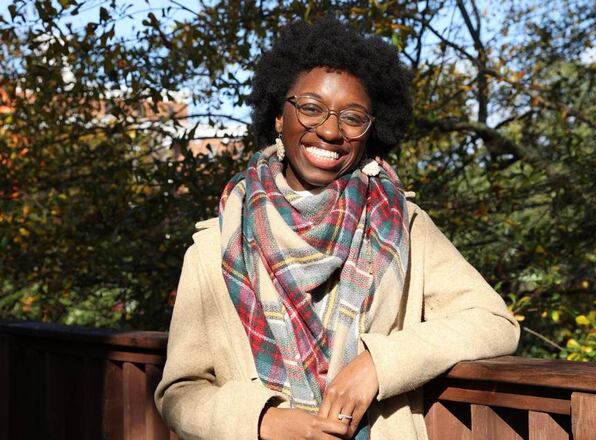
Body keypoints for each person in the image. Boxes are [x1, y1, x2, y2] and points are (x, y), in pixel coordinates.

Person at [155, 17, 519, 440]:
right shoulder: (215, 246)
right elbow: (180, 393)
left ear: (371, 130)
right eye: (310, 108)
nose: (330, 130)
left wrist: (377, 365)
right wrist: (263, 422)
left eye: (352, 116)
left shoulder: (400, 222)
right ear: (278, 116)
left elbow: (493, 320)